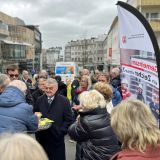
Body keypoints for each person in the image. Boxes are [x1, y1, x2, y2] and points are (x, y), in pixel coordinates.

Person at [68, 90, 120, 160]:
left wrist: (78, 118)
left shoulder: (87, 121)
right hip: (109, 155)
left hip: (93, 156)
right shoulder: (108, 115)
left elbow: (72, 133)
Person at [34, 78, 72, 160]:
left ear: (56, 88)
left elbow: (68, 119)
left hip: (57, 139)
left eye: (50, 88)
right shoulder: (39, 100)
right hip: (42, 138)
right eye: (46, 88)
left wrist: (61, 131)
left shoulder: (64, 101)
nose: (48, 90)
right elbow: (35, 114)